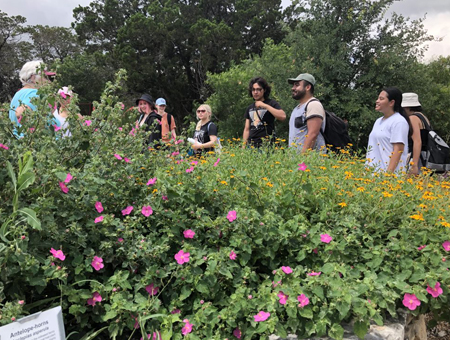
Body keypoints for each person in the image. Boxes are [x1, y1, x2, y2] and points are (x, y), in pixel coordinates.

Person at [366, 87, 411, 173]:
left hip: (388, 177)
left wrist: (388, 175)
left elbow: (398, 150)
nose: (377, 101)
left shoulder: (399, 121)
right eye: (378, 98)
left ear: (391, 102)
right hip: (372, 175)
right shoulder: (378, 121)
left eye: (381, 99)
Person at [9, 60, 56, 137]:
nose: (49, 81)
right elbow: (20, 113)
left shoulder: (18, 94)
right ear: (33, 77)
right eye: (45, 77)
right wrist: (36, 130)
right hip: (32, 145)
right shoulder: (34, 93)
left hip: (18, 142)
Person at [288, 73, 326, 153]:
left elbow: (313, 134)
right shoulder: (297, 108)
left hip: (311, 161)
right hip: (296, 161)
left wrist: (303, 159)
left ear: (308, 87)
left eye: (297, 85)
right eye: (293, 85)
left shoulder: (313, 105)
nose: (293, 88)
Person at [242, 77, 285, 148]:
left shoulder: (271, 103)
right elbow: (246, 129)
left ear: (264, 90)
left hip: (267, 145)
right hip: (251, 146)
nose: (255, 92)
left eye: (258, 89)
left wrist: (265, 106)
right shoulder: (249, 108)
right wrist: (243, 147)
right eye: (253, 90)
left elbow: (283, 116)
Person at [401, 93, 430, 175]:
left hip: (417, 156)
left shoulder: (413, 118)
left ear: (406, 107)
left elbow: (417, 141)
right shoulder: (423, 117)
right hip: (425, 155)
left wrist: (414, 164)